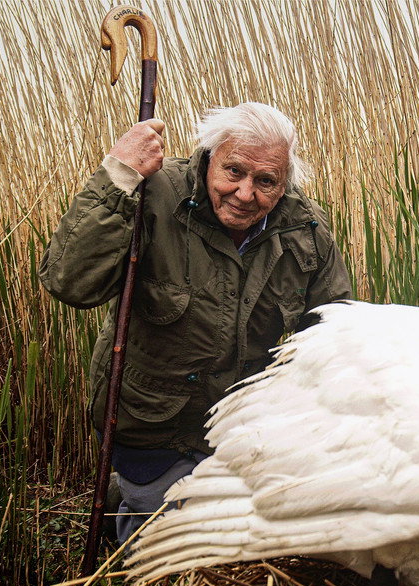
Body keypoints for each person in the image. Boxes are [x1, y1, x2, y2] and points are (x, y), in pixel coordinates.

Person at [40, 103, 352, 543]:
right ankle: (136, 512)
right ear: (208, 156)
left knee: (246, 539)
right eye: (234, 172)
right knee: (178, 545)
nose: (246, 194)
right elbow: (70, 282)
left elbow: (335, 331)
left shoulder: (304, 229)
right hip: (151, 425)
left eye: (266, 182)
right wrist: (118, 177)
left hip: (237, 431)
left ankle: (133, 504)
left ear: (285, 183)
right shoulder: (154, 195)